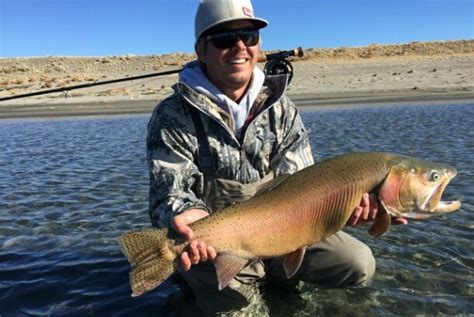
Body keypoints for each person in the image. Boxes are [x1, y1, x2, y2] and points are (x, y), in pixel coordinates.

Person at [146, 0, 406, 314]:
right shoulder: (172, 115)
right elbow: (168, 194)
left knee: (358, 264)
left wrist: (343, 208)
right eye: (225, 39)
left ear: (258, 45)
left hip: (288, 229)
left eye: (249, 36)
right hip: (215, 243)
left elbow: (306, 183)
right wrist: (188, 218)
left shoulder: (281, 108)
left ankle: (278, 276)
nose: (240, 46)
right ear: (201, 50)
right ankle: (196, 277)